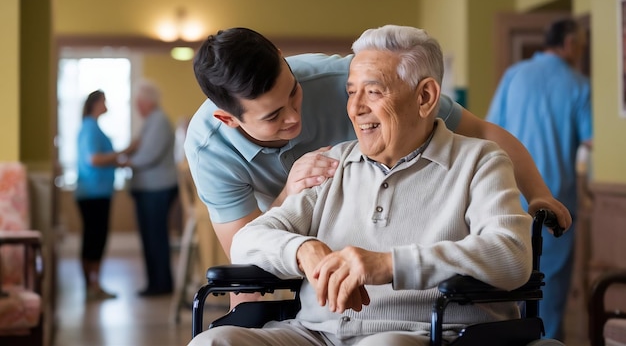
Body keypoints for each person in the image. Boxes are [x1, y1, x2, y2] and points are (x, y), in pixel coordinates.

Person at [188, 24, 534, 346]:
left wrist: (391, 264)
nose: (354, 108)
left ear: (425, 97)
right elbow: (247, 242)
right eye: (351, 92)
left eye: (373, 92)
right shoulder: (331, 163)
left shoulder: (480, 161)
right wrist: (303, 250)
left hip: (418, 332)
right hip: (316, 334)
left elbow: (511, 255)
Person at [486, 18, 592, 341]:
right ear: (571, 44)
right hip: (555, 204)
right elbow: (590, 145)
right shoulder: (579, 86)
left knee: (504, 291)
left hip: (505, 199)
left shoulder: (514, 76)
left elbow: (490, 133)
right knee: (548, 295)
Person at [75, 89, 137, 301]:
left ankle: (92, 285)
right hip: (94, 193)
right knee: (95, 239)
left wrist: (119, 161)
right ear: (95, 103)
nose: (106, 104)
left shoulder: (91, 127)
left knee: (93, 238)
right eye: (104, 101)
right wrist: (124, 151)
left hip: (95, 192)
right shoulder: (90, 128)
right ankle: (93, 285)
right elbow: (94, 159)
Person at [127, 79, 179, 296]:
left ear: (148, 102)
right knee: (150, 238)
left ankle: (161, 284)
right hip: (149, 188)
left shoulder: (158, 121)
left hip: (156, 189)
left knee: (156, 238)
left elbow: (148, 156)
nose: (137, 106)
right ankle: (155, 283)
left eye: (139, 102)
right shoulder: (152, 121)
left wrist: (123, 161)